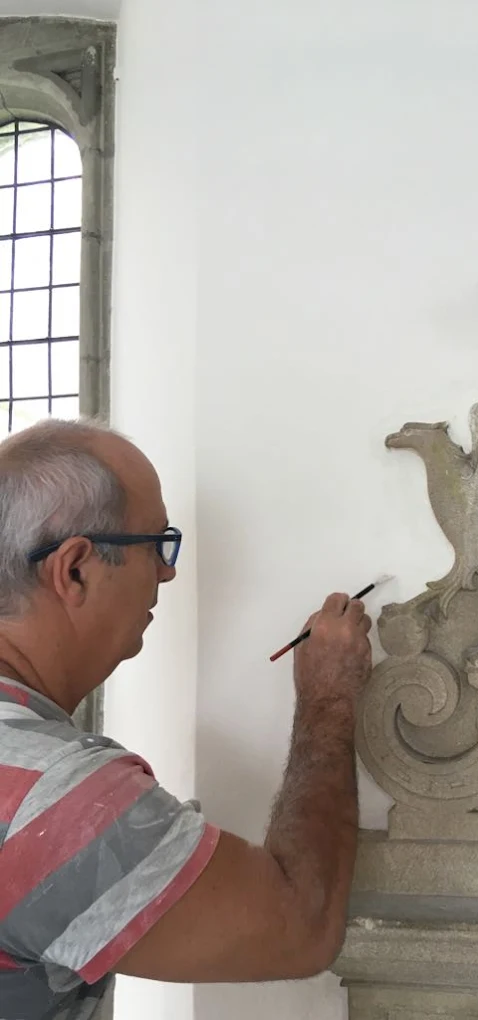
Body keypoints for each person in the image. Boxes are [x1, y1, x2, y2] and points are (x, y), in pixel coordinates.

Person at [0, 418, 372, 1020]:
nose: (168, 573)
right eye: (156, 544)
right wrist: (328, 699)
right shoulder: (52, 798)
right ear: (74, 569)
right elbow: (302, 923)